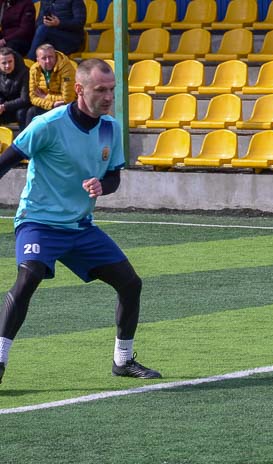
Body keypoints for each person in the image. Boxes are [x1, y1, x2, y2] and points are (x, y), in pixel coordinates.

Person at [0, 58, 161, 385]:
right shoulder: (48, 124)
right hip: (39, 222)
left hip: (80, 227)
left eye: (112, 89)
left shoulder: (110, 128)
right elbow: (6, 160)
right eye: (100, 90)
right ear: (79, 89)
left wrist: (104, 185)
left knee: (131, 284)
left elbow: (114, 176)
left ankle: (123, 359)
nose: (107, 96)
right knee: (28, 278)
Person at [25, 43, 75, 126]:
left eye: (51, 57)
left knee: (59, 113)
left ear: (55, 56)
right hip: (50, 105)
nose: (48, 61)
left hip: (67, 106)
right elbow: (33, 97)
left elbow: (67, 99)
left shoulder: (67, 69)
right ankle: (27, 138)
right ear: (38, 60)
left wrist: (45, 96)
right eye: (44, 58)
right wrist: (52, 104)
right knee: (31, 112)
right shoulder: (34, 69)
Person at [0, 47, 30, 128]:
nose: (7, 65)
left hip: (21, 107)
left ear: (14, 60)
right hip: (5, 107)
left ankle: (24, 140)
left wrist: (4, 106)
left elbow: (25, 99)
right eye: (4, 63)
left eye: (10, 62)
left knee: (22, 113)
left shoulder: (25, 72)